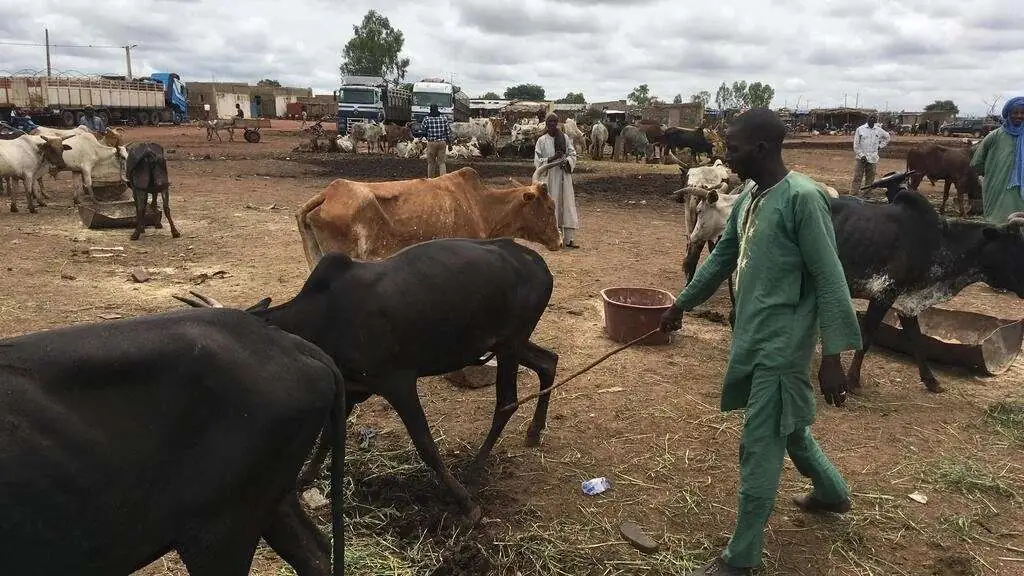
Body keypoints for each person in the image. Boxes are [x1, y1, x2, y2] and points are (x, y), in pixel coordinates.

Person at [660, 108, 862, 575]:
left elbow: (831, 279)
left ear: (764, 149)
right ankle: (832, 493)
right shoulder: (751, 195)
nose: (726, 157)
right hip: (753, 333)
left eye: (733, 149)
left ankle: (741, 557)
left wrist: (832, 355)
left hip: (784, 344)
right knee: (786, 426)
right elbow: (721, 259)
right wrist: (680, 304)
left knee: (759, 443)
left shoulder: (804, 199)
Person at [971, 97, 1024, 224]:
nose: (1019, 116)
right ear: (1008, 114)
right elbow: (977, 163)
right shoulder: (994, 137)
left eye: (1022, 113)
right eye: (1015, 112)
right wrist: (994, 175)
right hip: (997, 189)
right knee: (998, 225)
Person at [534, 113, 580, 248]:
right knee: (551, 207)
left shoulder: (564, 138)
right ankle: (554, 238)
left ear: (557, 123)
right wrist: (552, 158)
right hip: (549, 179)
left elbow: (572, 154)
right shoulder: (541, 141)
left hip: (564, 177)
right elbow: (537, 161)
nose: (552, 124)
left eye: (555, 122)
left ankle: (569, 240)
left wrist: (567, 162)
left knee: (567, 205)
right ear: (546, 125)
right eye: (550, 122)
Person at [851, 115, 890, 194]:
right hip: (861, 158)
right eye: (871, 117)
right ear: (867, 119)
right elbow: (856, 145)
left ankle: (867, 195)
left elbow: (888, 137)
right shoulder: (860, 129)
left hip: (873, 158)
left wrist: (880, 146)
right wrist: (862, 155)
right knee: (857, 177)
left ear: (876, 120)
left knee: (870, 178)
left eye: (874, 118)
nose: (872, 119)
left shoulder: (879, 130)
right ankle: (853, 194)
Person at [421, 104, 451, 178]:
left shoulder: (427, 118)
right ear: (438, 109)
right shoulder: (444, 118)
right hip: (442, 143)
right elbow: (448, 131)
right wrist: (450, 143)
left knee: (431, 163)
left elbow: (422, 129)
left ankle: (431, 180)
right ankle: (443, 179)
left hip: (431, 143)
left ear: (430, 110)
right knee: (442, 163)